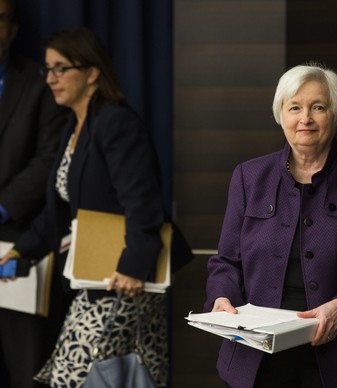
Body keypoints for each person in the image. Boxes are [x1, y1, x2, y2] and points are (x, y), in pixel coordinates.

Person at [0, 26, 191, 387]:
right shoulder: (75, 126)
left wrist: (133, 267)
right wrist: (20, 253)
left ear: (92, 73)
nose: (51, 79)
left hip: (126, 279)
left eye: (61, 69)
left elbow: (143, 202)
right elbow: (58, 214)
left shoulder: (116, 122)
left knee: (86, 378)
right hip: (98, 277)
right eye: (47, 69)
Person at [204, 63, 337, 388]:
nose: (305, 118)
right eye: (295, 107)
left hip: (335, 356)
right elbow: (226, 262)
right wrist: (221, 298)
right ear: (281, 114)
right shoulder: (249, 177)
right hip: (255, 354)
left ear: (335, 114)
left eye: (318, 107)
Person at [0, 0, 67, 387]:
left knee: (28, 368)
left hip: (20, 242)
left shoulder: (40, 81)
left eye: (1, 20)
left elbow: (49, 160)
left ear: (13, 28)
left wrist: (3, 206)